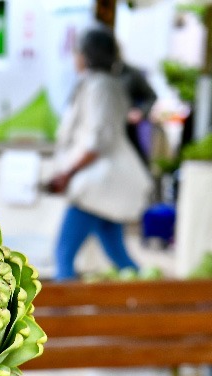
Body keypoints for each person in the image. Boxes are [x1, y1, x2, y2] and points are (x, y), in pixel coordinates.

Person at [48, 24, 152, 280]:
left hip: (96, 182)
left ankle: (65, 316)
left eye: (78, 52)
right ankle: (148, 302)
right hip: (105, 181)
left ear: (87, 55)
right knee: (118, 254)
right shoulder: (102, 84)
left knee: (64, 252)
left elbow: (97, 140)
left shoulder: (100, 86)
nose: (76, 58)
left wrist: (68, 173)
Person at [117, 61, 157, 165]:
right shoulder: (98, 74)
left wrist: (140, 112)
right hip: (107, 128)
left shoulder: (131, 73)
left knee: (137, 162)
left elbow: (151, 96)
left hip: (128, 128)